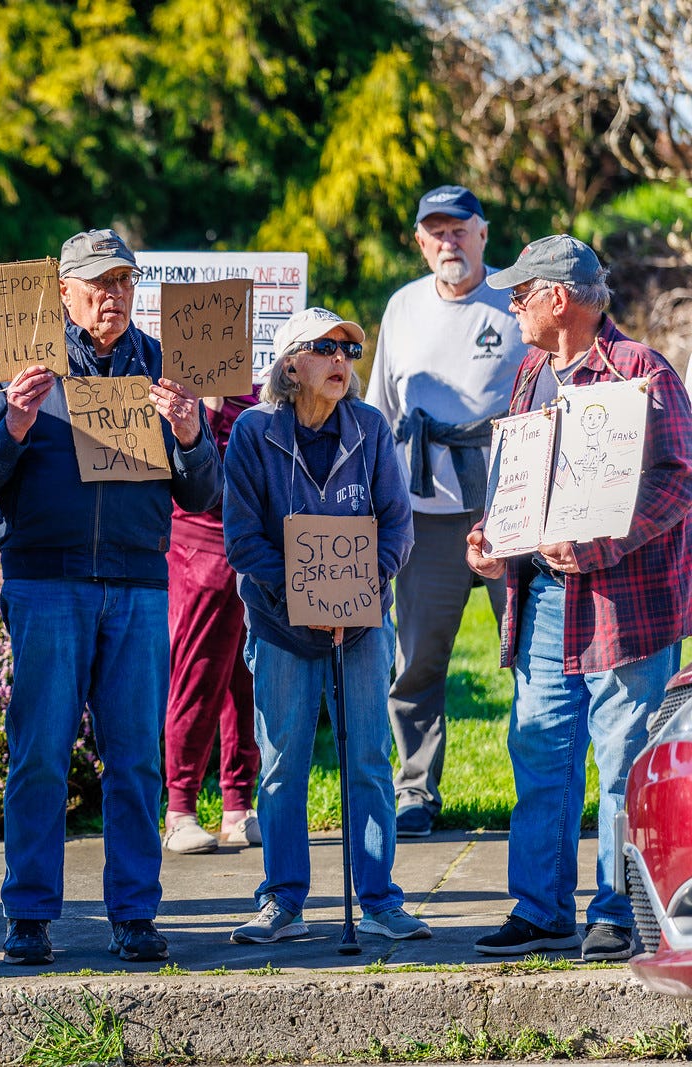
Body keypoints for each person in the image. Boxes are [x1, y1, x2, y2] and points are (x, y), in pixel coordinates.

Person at [0, 228, 222, 966]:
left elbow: (205, 494)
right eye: (99, 283)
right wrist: (12, 424)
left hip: (138, 587)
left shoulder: (165, 368)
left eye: (125, 282)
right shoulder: (15, 366)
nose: (114, 296)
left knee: (135, 760)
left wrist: (191, 436)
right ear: (63, 291)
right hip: (46, 585)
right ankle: (29, 913)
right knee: (39, 752)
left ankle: (134, 913)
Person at [468, 236, 692, 961]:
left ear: (557, 298)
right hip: (541, 599)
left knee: (622, 761)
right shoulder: (530, 372)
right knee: (539, 750)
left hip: (625, 606)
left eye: (520, 294)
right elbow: (517, 476)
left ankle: (618, 912)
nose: (511, 307)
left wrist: (601, 544)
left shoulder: (642, 371)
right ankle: (540, 909)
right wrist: (493, 535)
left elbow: (679, 481)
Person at [222, 307, 423, 945]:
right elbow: (242, 539)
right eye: (325, 348)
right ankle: (282, 901)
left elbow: (397, 526)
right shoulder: (253, 432)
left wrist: (354, 597)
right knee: (283, 765)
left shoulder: (370, 427)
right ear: (289, 365)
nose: (341, 360)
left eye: (349, 350)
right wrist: (308, 599)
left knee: (368, 759)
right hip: (281, 625)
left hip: (362, 627)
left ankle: (380, 900)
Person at [364, 185, 526, 839]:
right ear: (420, 242)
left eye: (459, 229)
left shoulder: (514, 303)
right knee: (418, 660)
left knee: (531, 654)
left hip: (510, 506)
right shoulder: (402, 307)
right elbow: (380, 412)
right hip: (423, 508)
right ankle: (415, 791)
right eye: (436, 231)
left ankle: (539, 789)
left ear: (483, 233)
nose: (448, 242)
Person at [163, 390, 262, 856]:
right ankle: (180, 810)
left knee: (247, 682)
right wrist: (211, 408)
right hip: (199, 546)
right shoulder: (174, 384)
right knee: (198, 676)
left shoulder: (258, 385)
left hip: (254, 547)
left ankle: (238, 805)